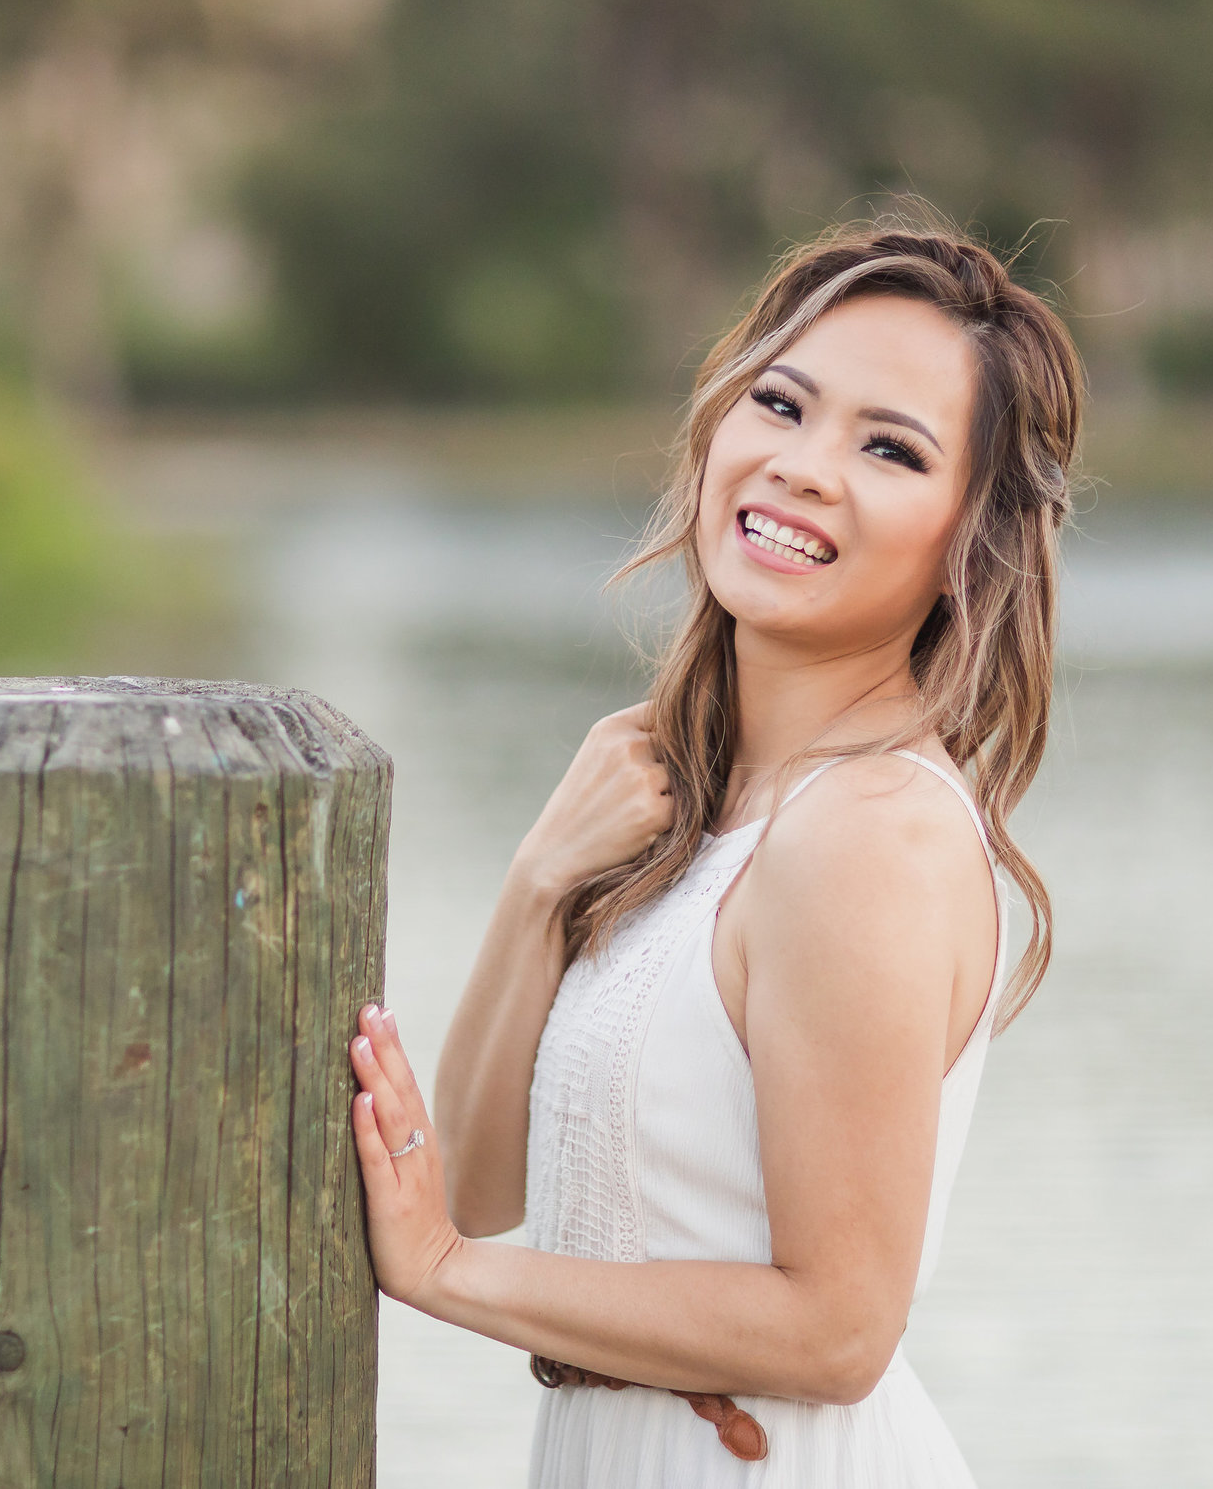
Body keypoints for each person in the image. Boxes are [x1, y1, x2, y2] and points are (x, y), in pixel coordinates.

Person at [345, 218, 1084, 1485]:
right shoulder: (696, 803)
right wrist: (538, 886)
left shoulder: (867, 833)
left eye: (889, 449)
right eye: (782, 403)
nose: (803, 466)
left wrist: (459, 1280)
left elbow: (842, 1326)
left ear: (970, 545)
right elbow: (460, 1189)